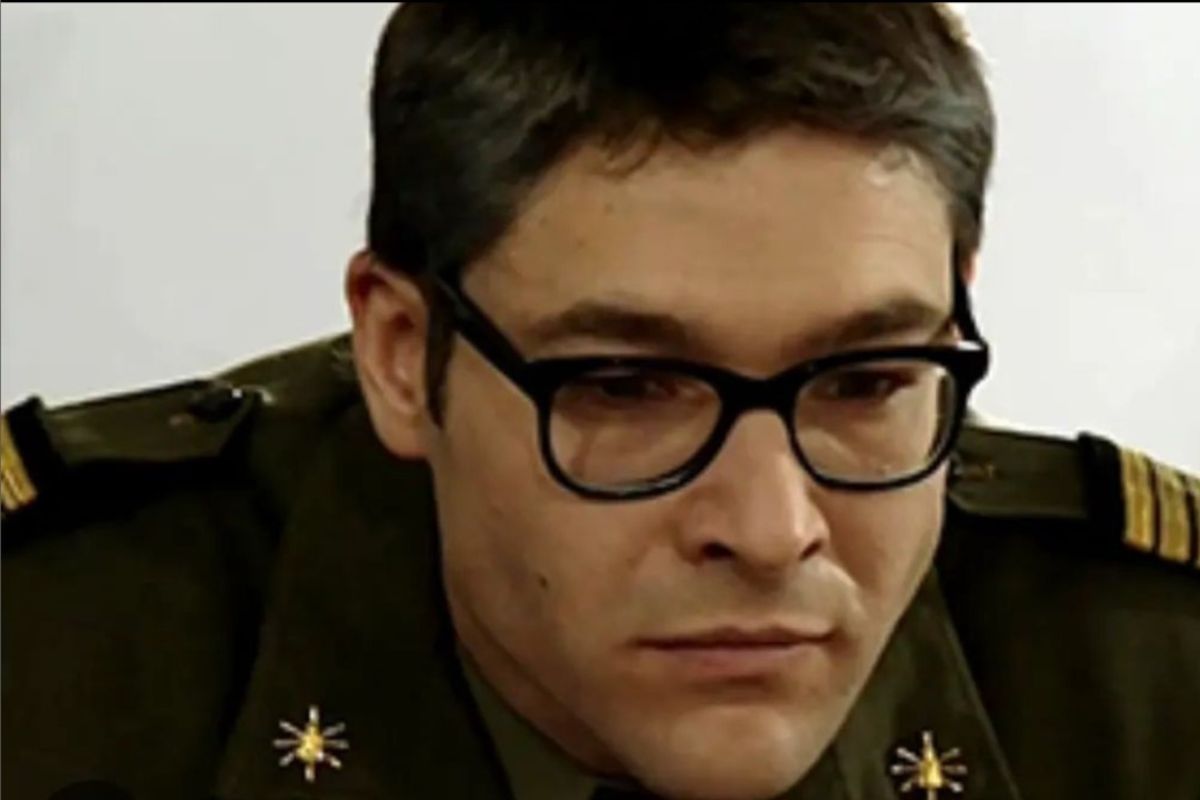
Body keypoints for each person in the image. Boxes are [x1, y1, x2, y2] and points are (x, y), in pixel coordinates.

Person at [3, 4, 1197, 800]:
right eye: (626, 387)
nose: (772, 527)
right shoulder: (49, 657)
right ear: (404, 356)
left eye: (867, 380)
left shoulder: (1154, 671)